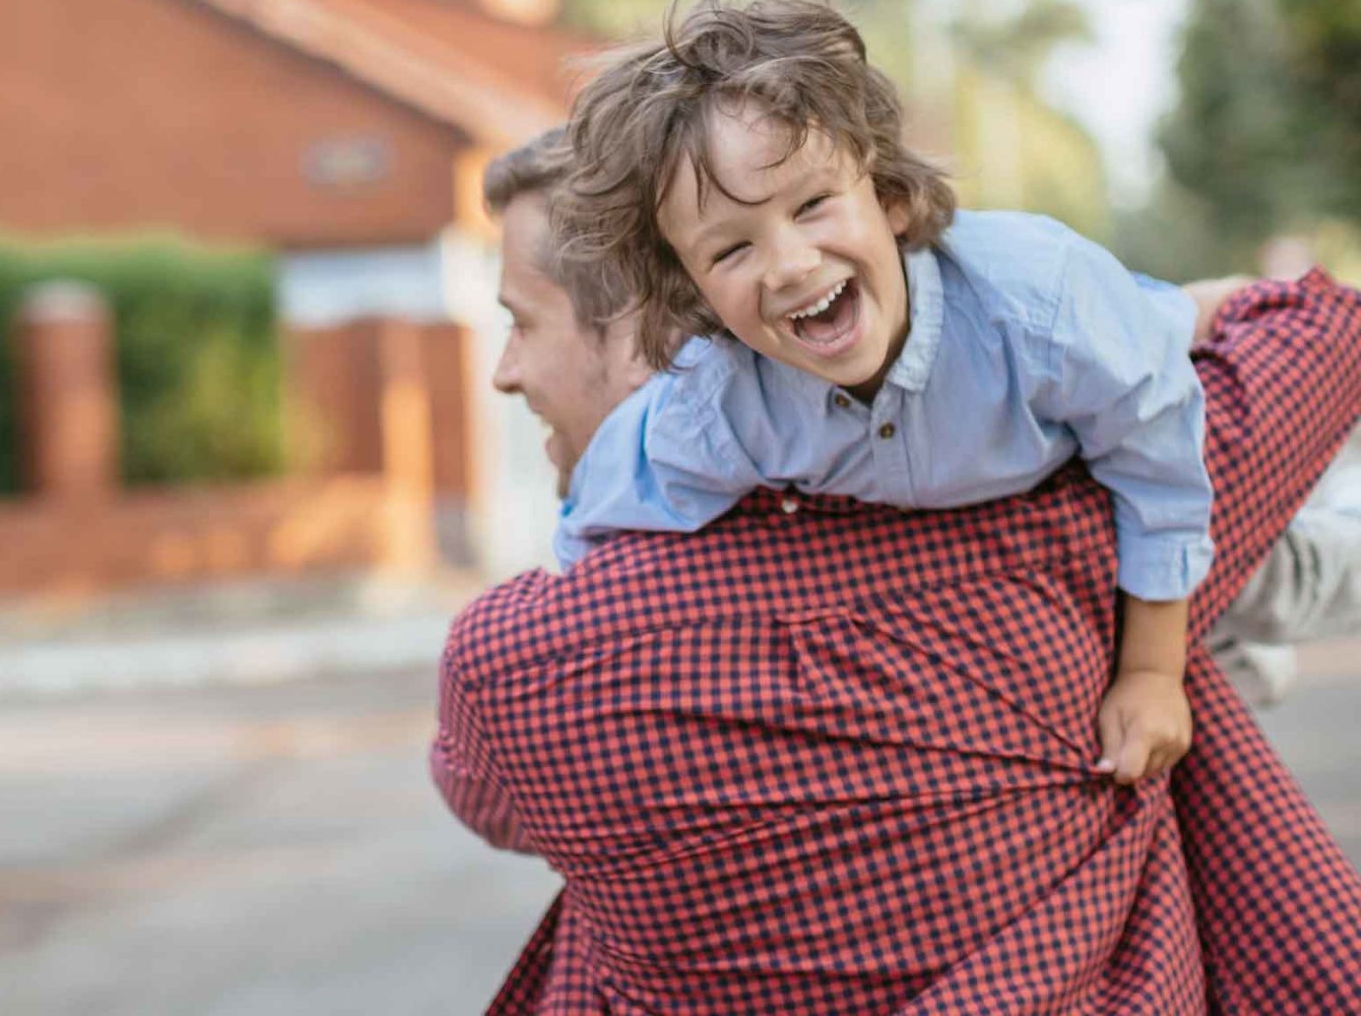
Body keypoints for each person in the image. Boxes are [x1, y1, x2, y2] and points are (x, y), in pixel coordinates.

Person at [433, 128, 1361, 1011]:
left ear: (659, 337)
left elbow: (493, 801)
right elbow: (1313, 333)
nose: (504, 371)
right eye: (731, 250)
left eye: (519, 323)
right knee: (1219, 596)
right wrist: (1171, 312)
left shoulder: (515, 662)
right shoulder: (1048, 533)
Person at [548, 0, 1203, 785]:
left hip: (1142, 344)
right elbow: (598, 522)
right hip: (990, 465)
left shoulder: (1042, 309)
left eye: (814, 203)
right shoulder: (718, 405)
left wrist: (1149, 671)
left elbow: (1157, 448)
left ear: (888, 194)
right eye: (730, 250)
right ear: (692, 290)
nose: (789, 264)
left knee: (1205, 323)